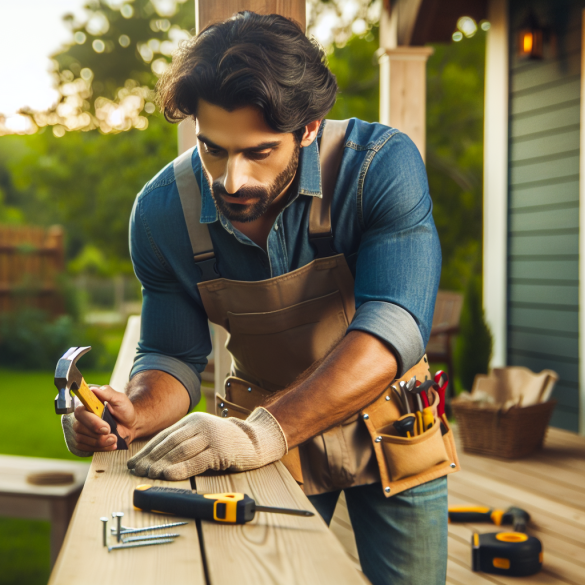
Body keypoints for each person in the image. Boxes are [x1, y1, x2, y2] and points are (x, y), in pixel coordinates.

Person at [62, 12, 451, 585]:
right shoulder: (160, 213)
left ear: (310, 128)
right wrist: (135, 413)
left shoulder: (380, 166)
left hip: (389, 428)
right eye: (213, 150)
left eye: (260, 152)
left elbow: (394, 324)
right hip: (260, 448)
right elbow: (172, 355)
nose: (233, 179)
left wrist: (262, 430)